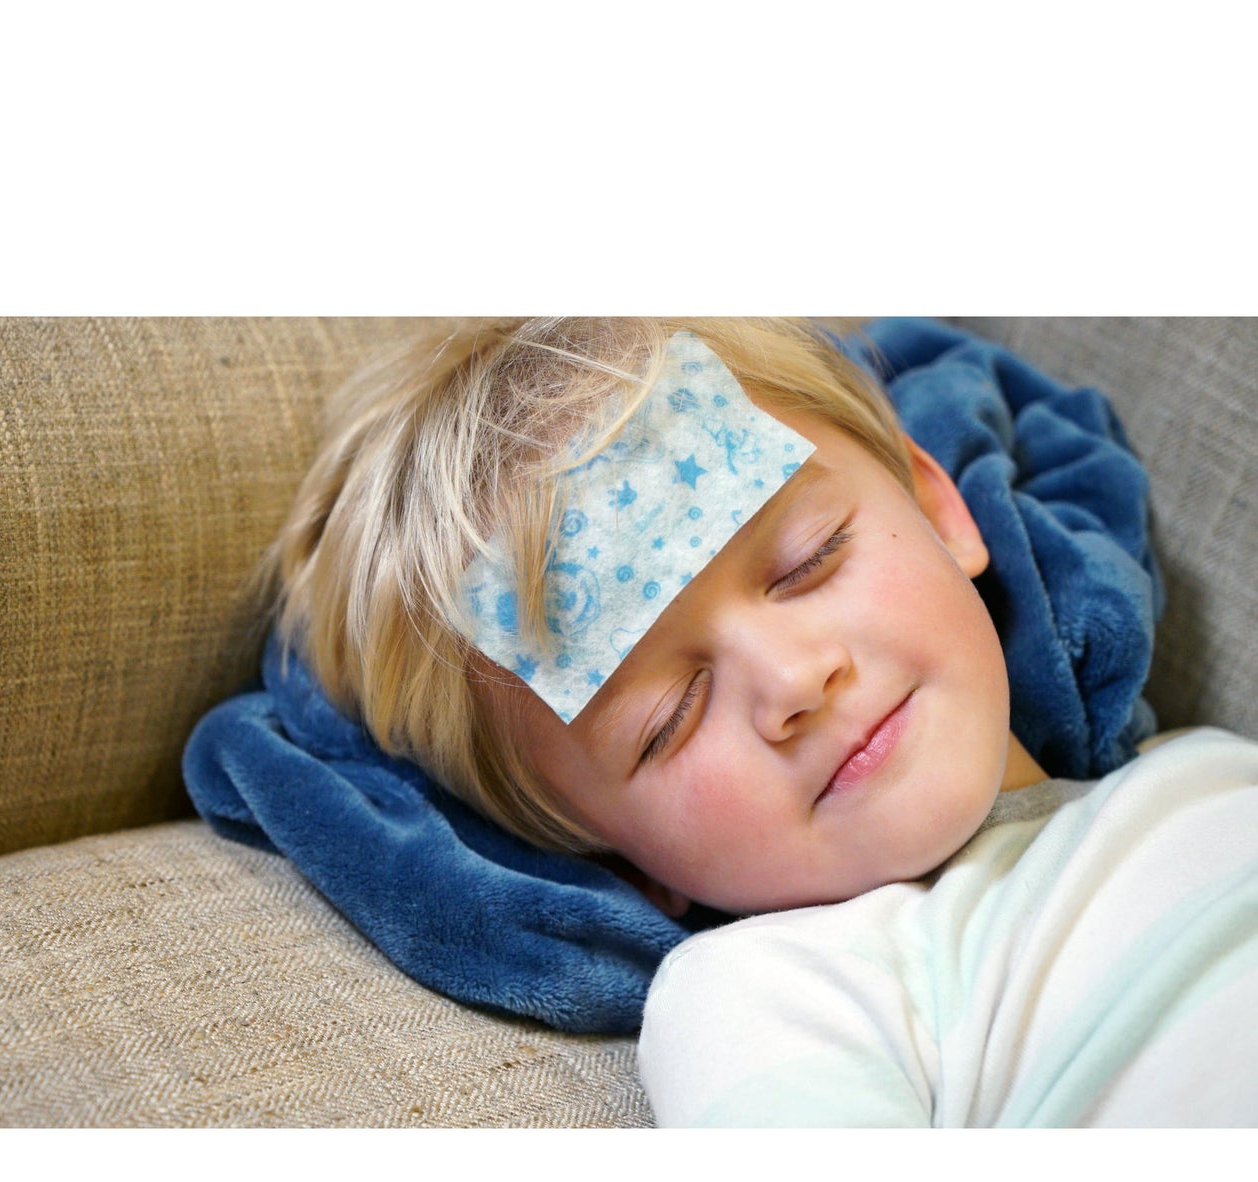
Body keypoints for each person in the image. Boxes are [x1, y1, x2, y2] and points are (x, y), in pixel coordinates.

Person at [267, 317, 1258, 1126]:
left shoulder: (1195, 770)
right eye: (667, 717)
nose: (793, 679)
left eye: (808, 558)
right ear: (621, 862)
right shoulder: (766, 991)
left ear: (938, 507)